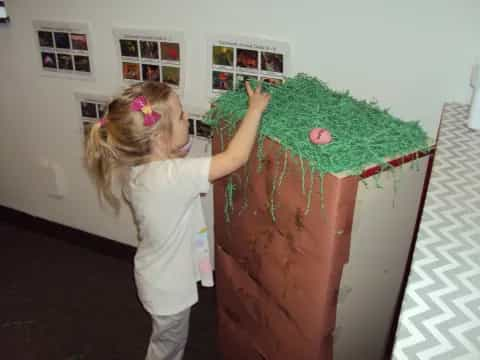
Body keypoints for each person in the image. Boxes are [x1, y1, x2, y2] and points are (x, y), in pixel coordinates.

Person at [84, 80, 270, 360]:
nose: (186, 119)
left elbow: (168, 170)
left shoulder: (140, 171)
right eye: (182, 115)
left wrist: (172, 151)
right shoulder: (173, 176)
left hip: (155, 276)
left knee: (167, 336)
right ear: (159, 138)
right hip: (168, 290)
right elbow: (234, 158)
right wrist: (254, 110)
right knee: (168, 346)